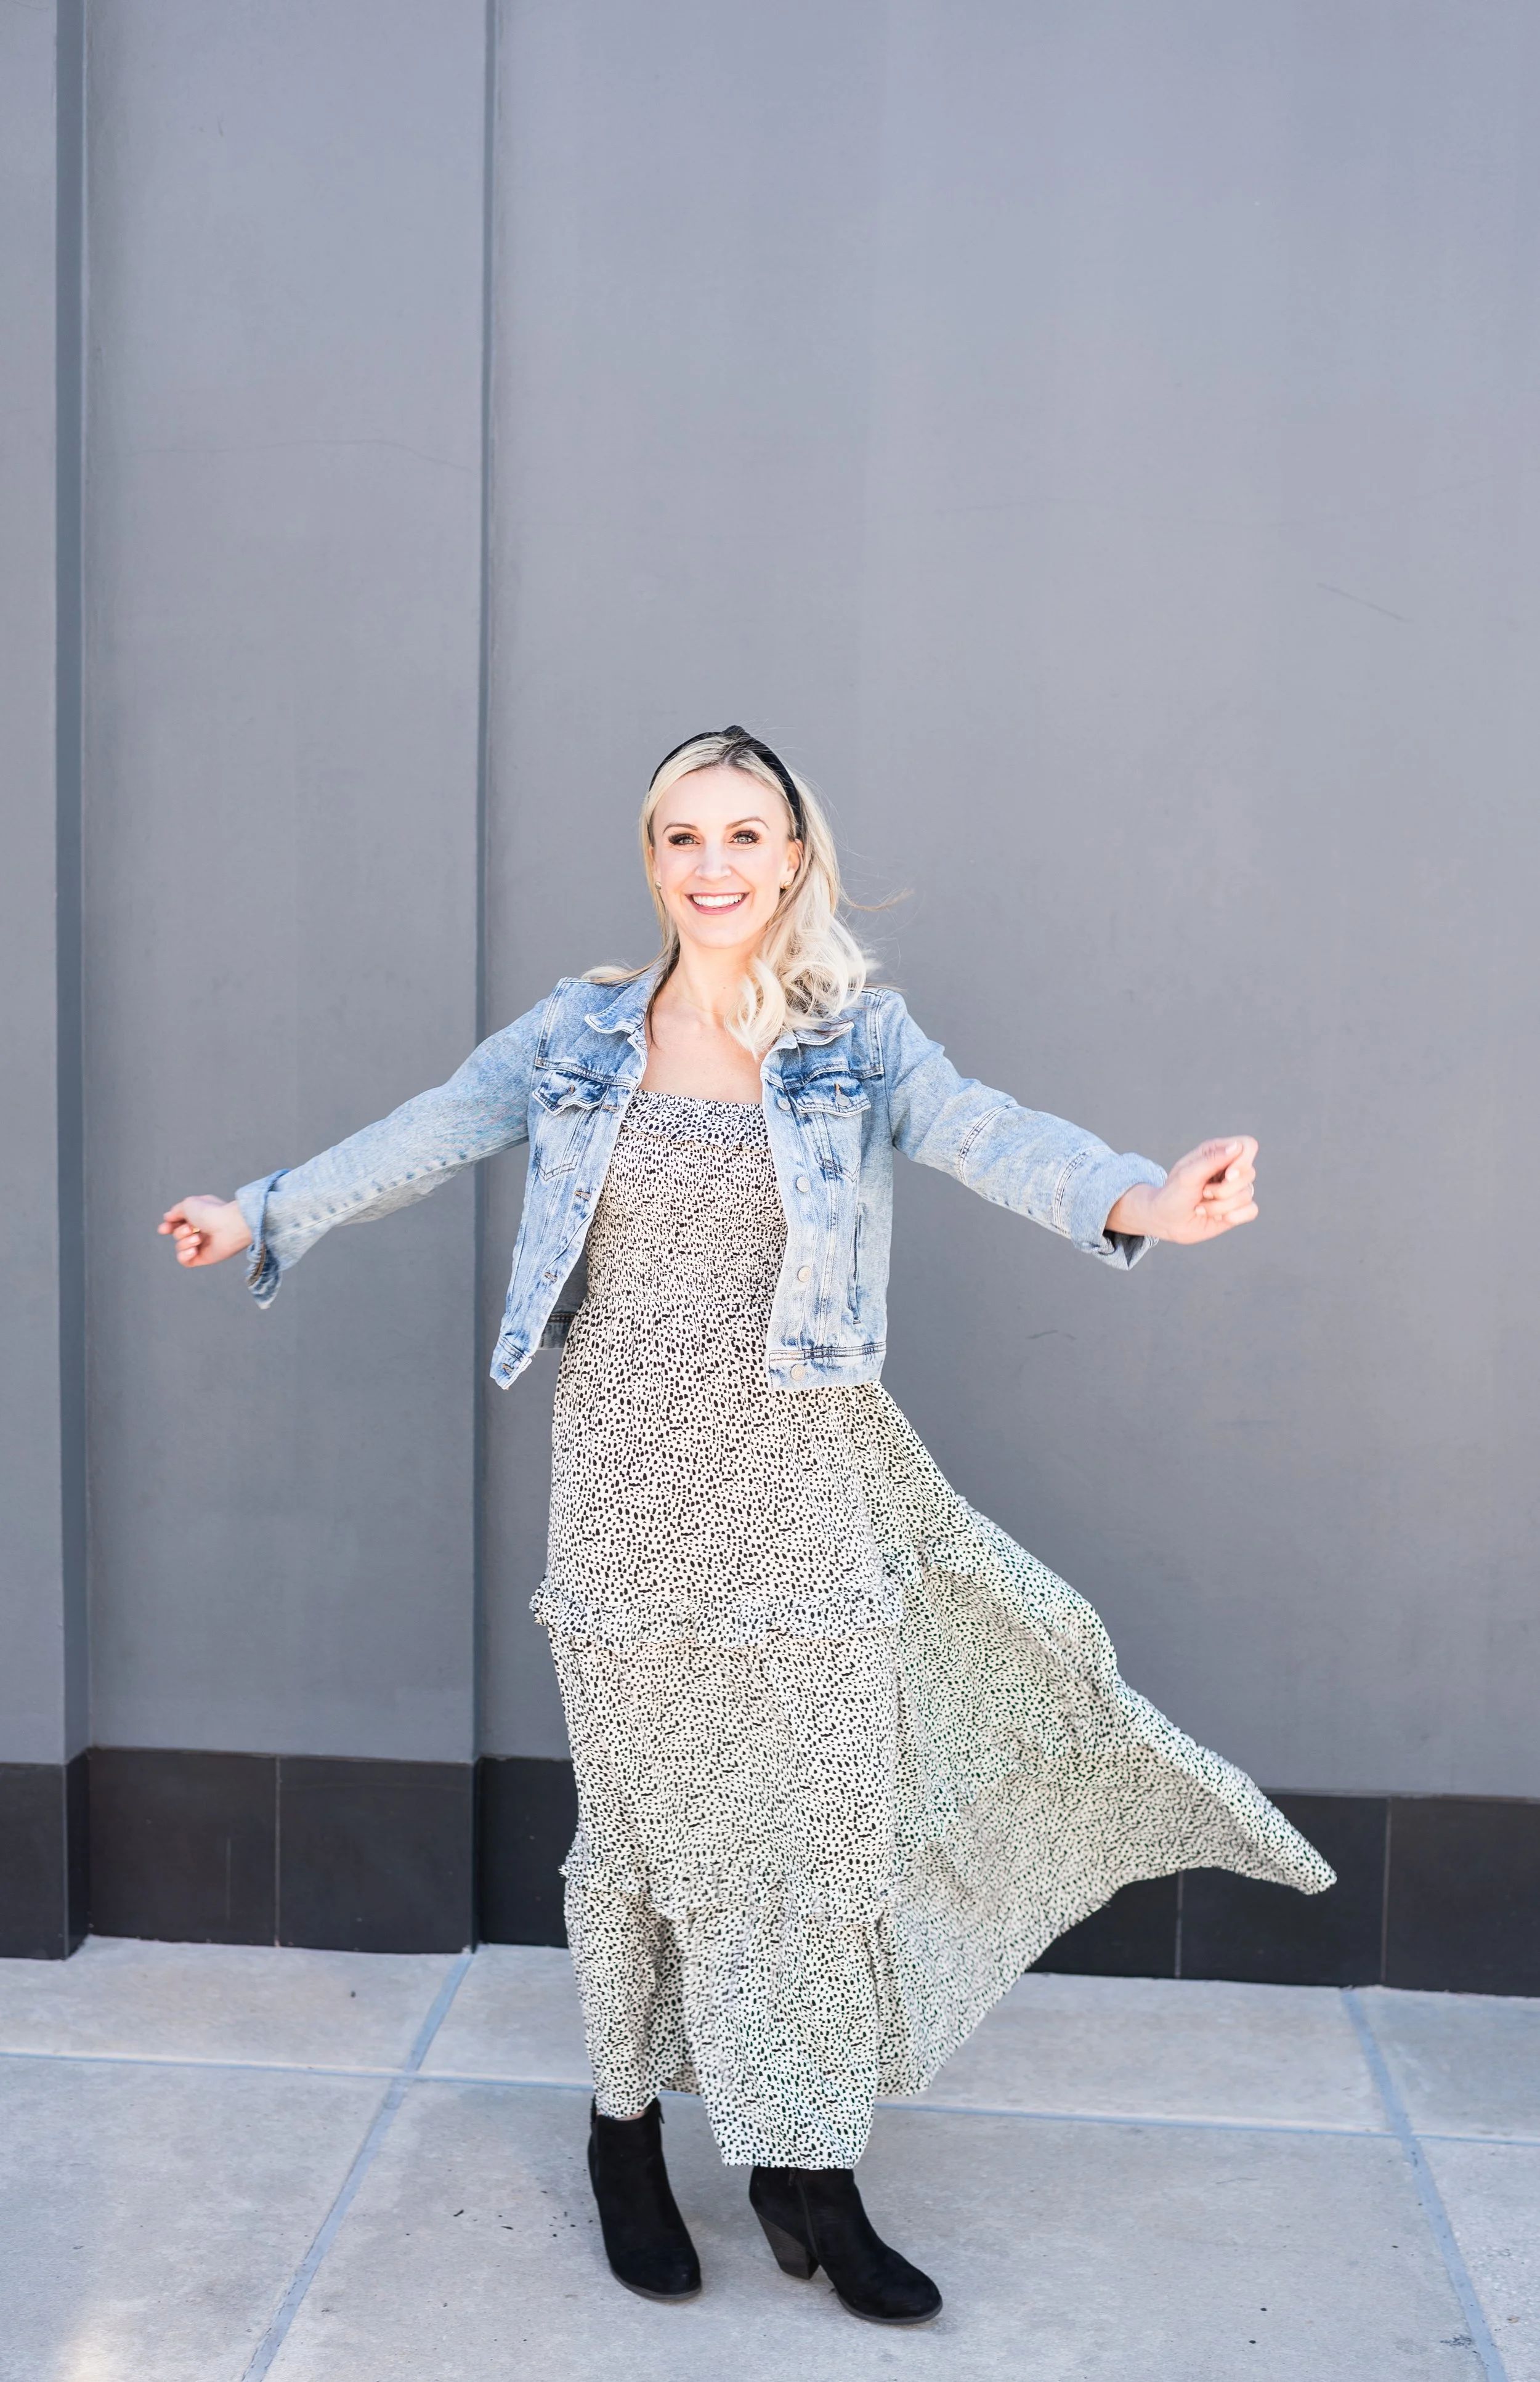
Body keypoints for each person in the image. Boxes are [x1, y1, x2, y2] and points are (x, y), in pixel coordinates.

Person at [161, 726, 1332, 2328]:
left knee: (815, 1843)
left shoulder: (858, 1038)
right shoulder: (576, 1033)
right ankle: (625, 2138)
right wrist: (259, 1209)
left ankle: (808, 2170)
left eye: (743, 836)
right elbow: (430, 1128)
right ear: (654, 862)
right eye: (681, 838)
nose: (713, 866)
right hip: (633, 1501)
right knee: (649, 1843)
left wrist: (1146, 1199)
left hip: (807, 1499)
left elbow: (993, 1134)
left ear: (793, 858)